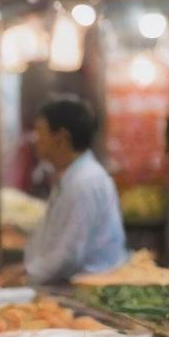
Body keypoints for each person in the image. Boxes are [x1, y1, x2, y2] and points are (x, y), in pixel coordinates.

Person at [25, 96, 127, 284]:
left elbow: (68, 254)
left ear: (61, 138)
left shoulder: (85, 182)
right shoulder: (71, 178)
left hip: (86, 288)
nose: (35, 139)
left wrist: (28, 275)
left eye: (40, 131)